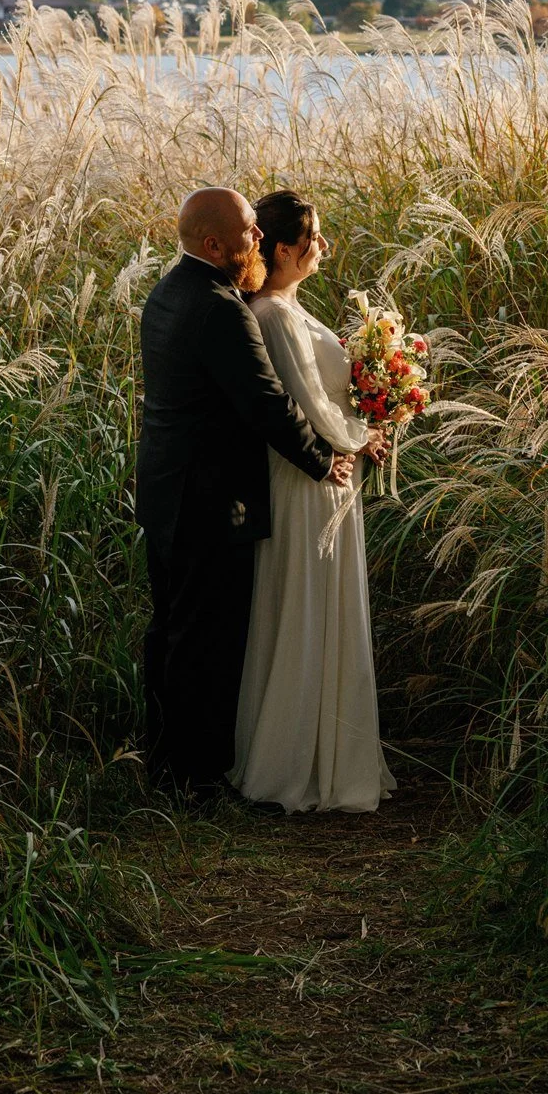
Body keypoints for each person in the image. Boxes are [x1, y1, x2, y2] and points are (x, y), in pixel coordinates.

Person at [137, 187, 354, 798]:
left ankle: (165, 764)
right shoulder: (219, 308)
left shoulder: (166, 293)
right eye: (249, 233)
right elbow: (266, 404)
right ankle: (194, 777)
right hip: (208, 500)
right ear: (215, 245)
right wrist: (322, 461)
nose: (258, 238)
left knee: (170, 633)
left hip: (164, 492)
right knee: (204, 639)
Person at [232, 190, 397, 814]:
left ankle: (334, 751)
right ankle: (293, 764)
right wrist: (364, 434)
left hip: (333, 474)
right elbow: (300, 403)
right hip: (308, 483)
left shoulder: (293, 307)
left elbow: (328, 396)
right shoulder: (271, 314)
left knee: (327, 604)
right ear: (282, 250)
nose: (322, 246)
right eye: (314, 238)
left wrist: (379, 404)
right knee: (305, 605)